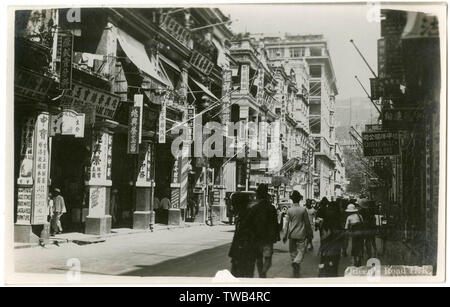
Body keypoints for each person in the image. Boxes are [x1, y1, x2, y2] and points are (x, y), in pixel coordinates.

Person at [283, 190, 313, 278]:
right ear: (299, 199)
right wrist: (310, 233)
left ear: (292, 200)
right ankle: (296, 263)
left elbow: (286, 224)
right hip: (301, 234)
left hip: (292, 235)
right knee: (301, 251)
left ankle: (295, 266)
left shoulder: (289, 210)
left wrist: (285, 235)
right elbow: (307, 223)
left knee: (292, 251)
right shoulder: (303, 210)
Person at [252, 184, 280, 278]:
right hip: (268, 237)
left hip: (257, 237)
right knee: (268, 259)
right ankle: (263, 272)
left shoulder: (254, 208)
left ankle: (261, 275)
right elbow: (275, 223)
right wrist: (276, 236)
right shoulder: (271, 208)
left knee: (259, 258)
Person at [228, 192, 258, 277]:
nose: (232, 207)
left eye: (234, 204)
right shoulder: (241, 216)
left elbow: (245, 237)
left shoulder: (247, 217)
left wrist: (237, 256)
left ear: (239, 205)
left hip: (243, 256)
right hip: (239, 255)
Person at [318, 201, 344, 277]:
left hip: (326, 248)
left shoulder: (325, 218)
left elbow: (323, 235)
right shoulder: (338, 218)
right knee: (334, 267)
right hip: (335, 248)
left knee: (324, 266)